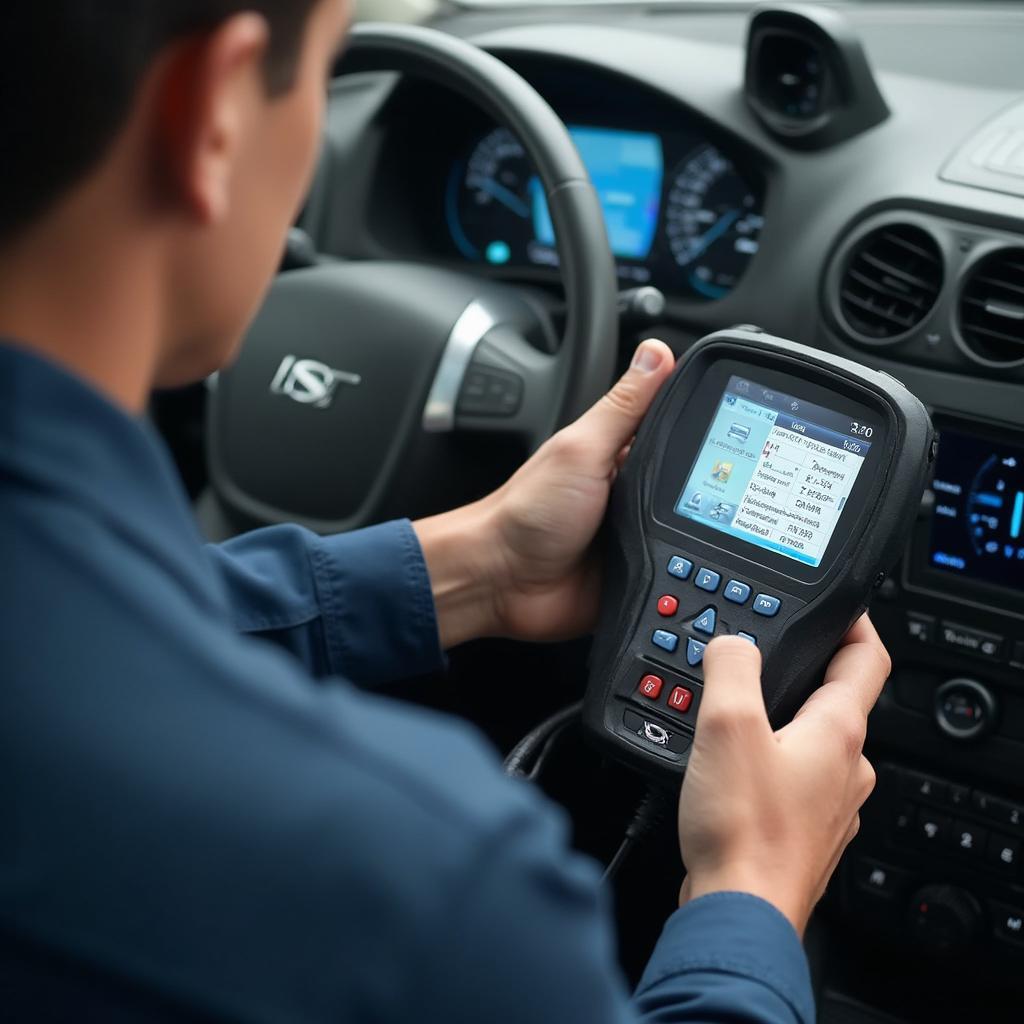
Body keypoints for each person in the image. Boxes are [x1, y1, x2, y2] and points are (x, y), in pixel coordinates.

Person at [0, 2, 888, 1021]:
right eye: (326, 73)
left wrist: (479, 563)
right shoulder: (424, 891)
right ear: (209, 116)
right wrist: (751, 888)